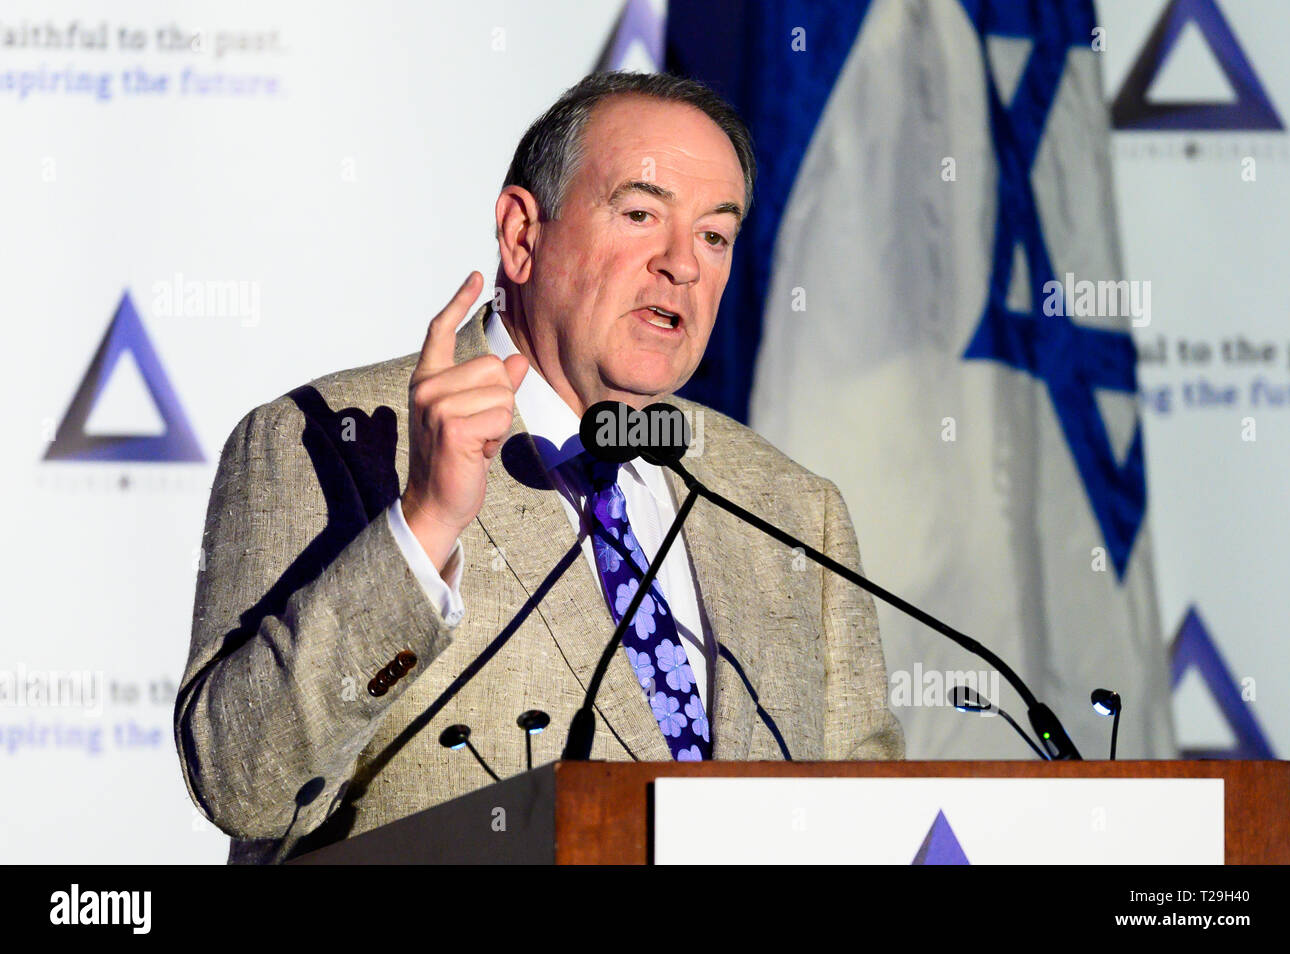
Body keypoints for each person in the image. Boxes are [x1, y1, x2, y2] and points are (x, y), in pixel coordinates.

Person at [174, 71, 904, 864]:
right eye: (640, 214)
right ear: (522, 234)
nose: (682, 266)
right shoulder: (332, 441)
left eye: (714, 236)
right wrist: (422, 528)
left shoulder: (794, 507)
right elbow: (244, 785)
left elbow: (863, 815)